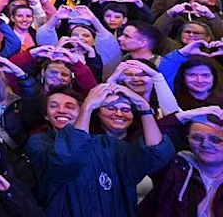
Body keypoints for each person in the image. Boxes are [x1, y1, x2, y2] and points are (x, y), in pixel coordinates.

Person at [27, 84, 175, 217]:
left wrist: (144, 108)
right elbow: (67, 160)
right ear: (46, 115)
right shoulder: (39, 142)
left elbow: (157, 154)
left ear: (80, 113)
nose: (61, 110)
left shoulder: (106, 144)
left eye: (70, 107)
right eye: (54, 106)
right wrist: (87, 108)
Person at [137, 112, 223, 216]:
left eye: (215, 140)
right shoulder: (174, 168)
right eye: (197, 137)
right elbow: (143, 145)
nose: (205, 144)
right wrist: (184, 116)